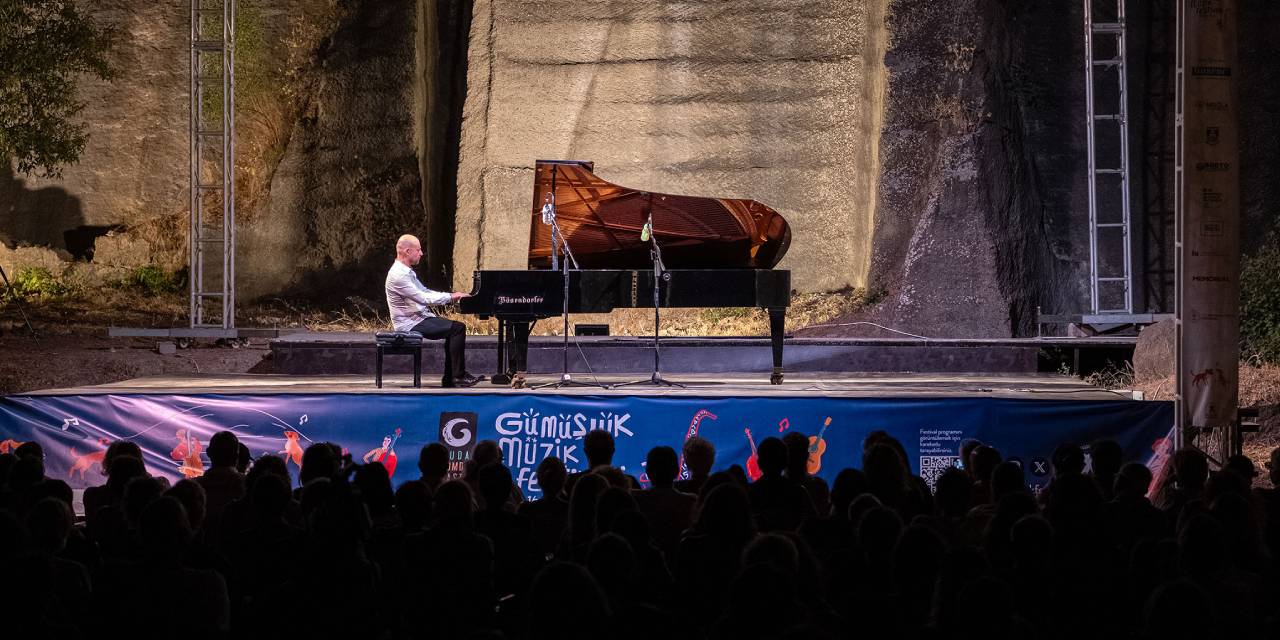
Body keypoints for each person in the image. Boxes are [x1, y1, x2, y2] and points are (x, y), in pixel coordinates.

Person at [384, 233, 482, 388]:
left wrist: (452, 295)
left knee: (455, 328)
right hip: (410, 324)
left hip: (419, 318)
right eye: (419, 250)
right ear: (407, 251)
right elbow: (423, 298)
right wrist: (452, 297)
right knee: (457, 329)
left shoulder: (406, 271)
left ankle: (450, 378)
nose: (421, 253)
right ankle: (457, 376)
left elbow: (426, 292)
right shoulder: (398, 275)